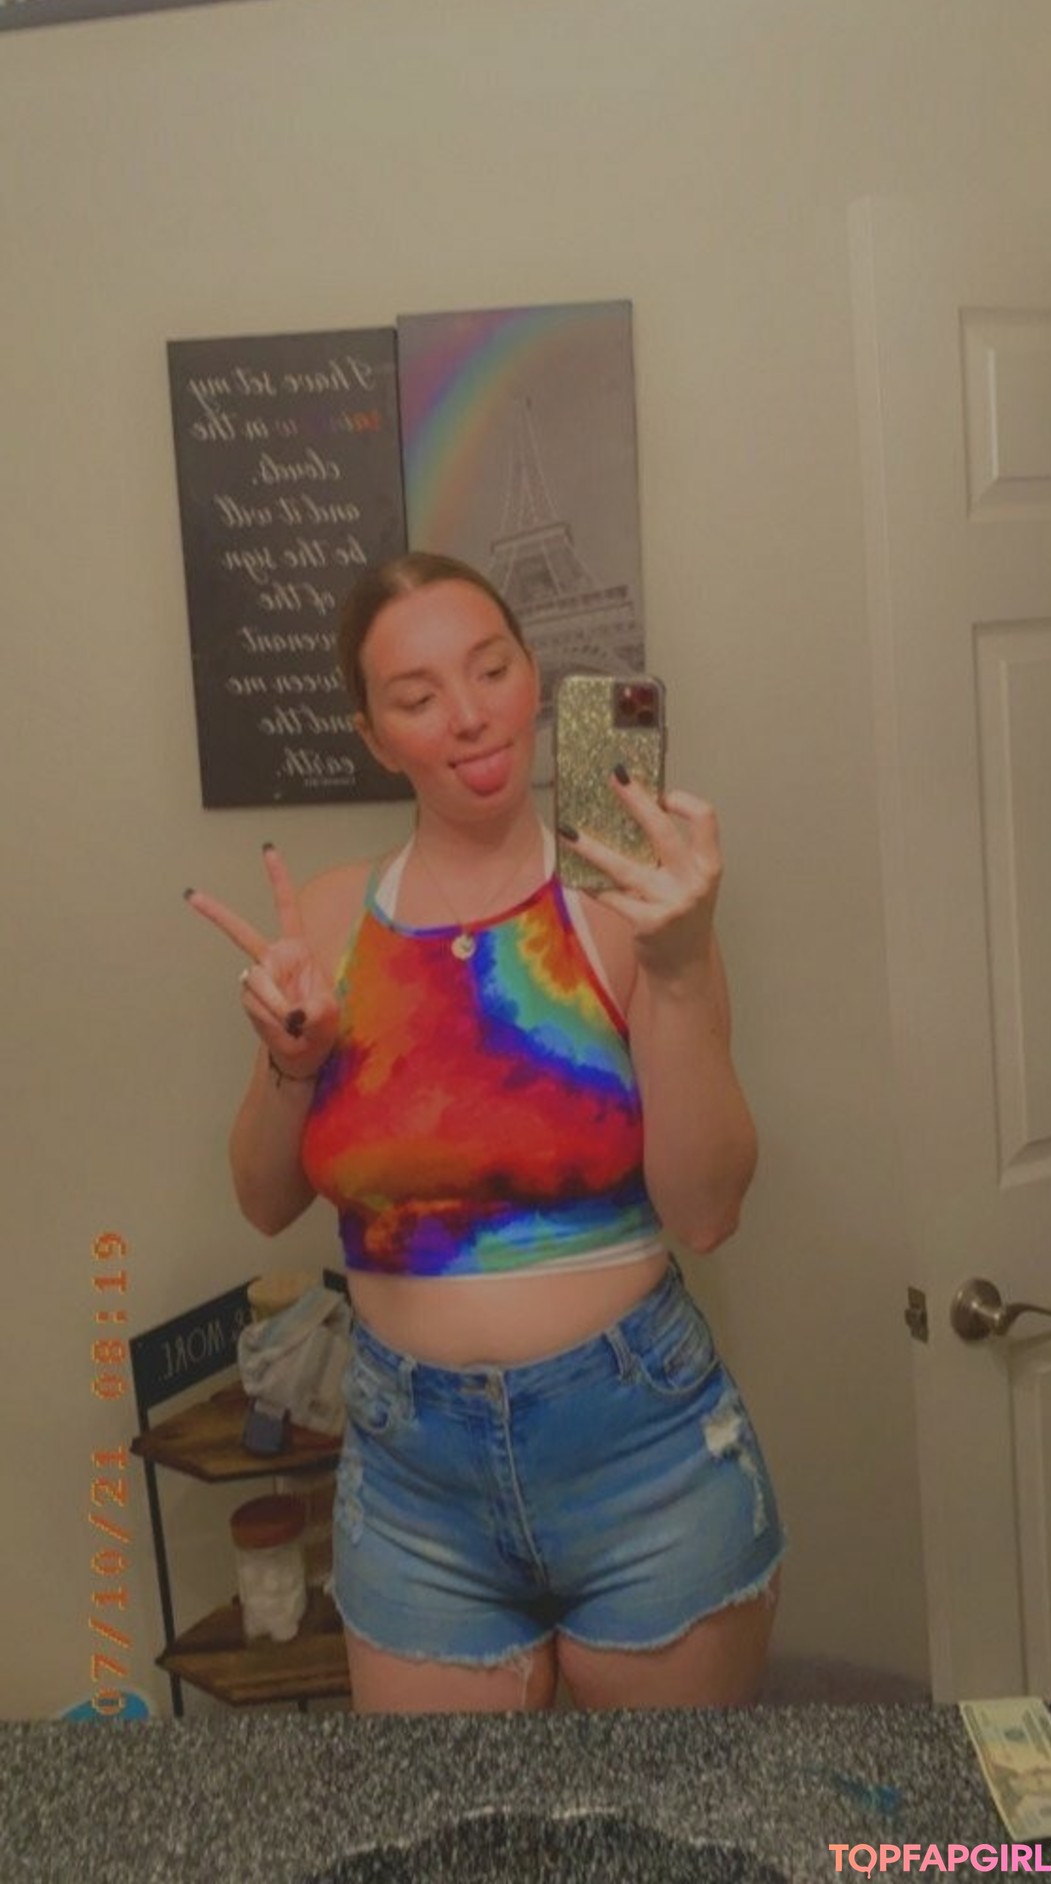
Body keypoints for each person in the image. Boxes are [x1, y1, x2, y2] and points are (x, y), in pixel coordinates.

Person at [185, 551, 785, 1714]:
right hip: (414, 1483)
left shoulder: (631, 907)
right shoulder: (333, 915)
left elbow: (708, 1210)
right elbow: (263, 1200)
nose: (468, 714)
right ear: (374, 737)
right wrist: (293, 1060)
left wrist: (676, 968)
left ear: (533, 675)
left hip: (645, 1453)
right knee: (447, 1814)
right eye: (417, 696)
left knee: (667, 1813)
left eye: (491, 668)